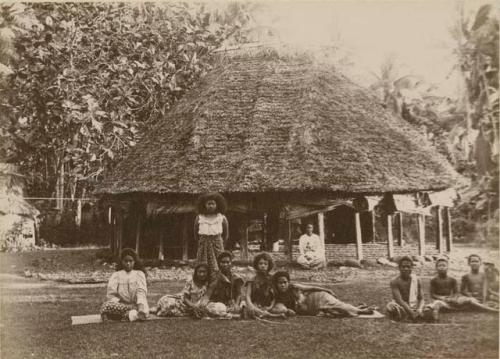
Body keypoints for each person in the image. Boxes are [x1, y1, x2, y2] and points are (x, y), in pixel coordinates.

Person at [270, 271, 373, 317]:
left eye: (285, 282)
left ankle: (361, 310)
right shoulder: (277, 296)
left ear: (288, 282)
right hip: (311, 308)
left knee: (337, 305)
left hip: (316, 298)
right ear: (276, 284)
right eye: (280, 283)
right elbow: (275, 306)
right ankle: (356, 308)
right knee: (336, 310)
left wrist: (327, 290)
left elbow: (312, 287)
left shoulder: (294, 287)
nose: (283, 285)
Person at [429, 258, 496, 316]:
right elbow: (432, 295)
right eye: (439, 266)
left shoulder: (452, 280)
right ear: (436, 268)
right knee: (436, 303)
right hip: (441, 301)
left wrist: (451, 298)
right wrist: (441, 298)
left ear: (447, 267)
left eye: (444, 265)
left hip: (451, 301)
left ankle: (491, 310)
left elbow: (456, 293)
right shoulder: (433, 280)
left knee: (468, 301)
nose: (441, 267)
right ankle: (432, 314)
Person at [100, 248, 149, 322]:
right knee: (105, 306)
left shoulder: (139, 274)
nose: (128, 263)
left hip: (137, 305)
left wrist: (140, 307)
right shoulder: (116, 275)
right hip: (121, 305)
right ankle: (128, 315)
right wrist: (121, 302)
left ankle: (129, 315)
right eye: (126, 261)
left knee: (143, 311)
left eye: (130, 261)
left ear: (134, 261)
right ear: (121, 261)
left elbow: (141, 292)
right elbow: (110, 295)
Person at [200, 251, 244, 318]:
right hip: (219, 304)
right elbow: (208, 294)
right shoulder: (215, 277)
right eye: (223, 262)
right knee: (214, 308)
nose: (225, 264)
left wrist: (236, 304)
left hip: (232, 303)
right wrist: (203, 304)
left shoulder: (236, 277)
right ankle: (230, 315)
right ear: (219, 263)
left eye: (227, 262)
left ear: (231, 263)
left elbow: (239, 294)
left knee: (245, 305)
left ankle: (228, 314)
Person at [386, 256, 431, 322]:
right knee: (391, 307)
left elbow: (421, 299)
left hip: (414, 306)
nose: (406, 269)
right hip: (401, 306)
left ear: (412, 268)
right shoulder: (394, 281)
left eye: (408, 267)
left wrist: (419, 309)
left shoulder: (417, 280)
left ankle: (409, 316)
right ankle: (407, 315)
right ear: (399, 268)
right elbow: (399, 300)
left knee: (430, 308)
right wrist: (412, 313)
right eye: (403, 267)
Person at [194, 193, 229, 273]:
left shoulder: (221, 218)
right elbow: (196, 234)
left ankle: (219, 284)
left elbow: (226, 235)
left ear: (217, 204)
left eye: (213, 203)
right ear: (204, 205)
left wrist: (220, 243)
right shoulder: (199, 218)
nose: (211, 206)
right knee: (203, 266)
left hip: (217, 245)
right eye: (208, 204)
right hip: (204, 246)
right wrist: (203, 243)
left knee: (219, 265)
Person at [243, 252, 284, 319]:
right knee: (249, 309)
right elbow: (247, 295)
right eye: (260, 263)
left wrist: (270, 307)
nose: (263, 266)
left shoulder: (272, 279)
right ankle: (271, 315)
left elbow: (275, 297)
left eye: (265, 264)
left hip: (268, 305)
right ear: (256, 265)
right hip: (256, 304)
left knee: (282, 309)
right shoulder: (252, 279)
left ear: (269, 265)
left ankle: (265, 313)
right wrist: (251, 305)